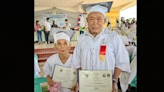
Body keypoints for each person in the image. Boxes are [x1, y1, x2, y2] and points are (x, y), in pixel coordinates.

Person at [71, 2, 131, 92]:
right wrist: (78, 81)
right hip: (86, 85)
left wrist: (114, 82)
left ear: (104, 21)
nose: (95, 22)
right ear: (87, 20)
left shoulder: (113, 37)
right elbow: (77, 62)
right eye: (91, 19)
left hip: (106, 85)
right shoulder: (82, 39)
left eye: (99, 19)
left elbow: (121, 61)